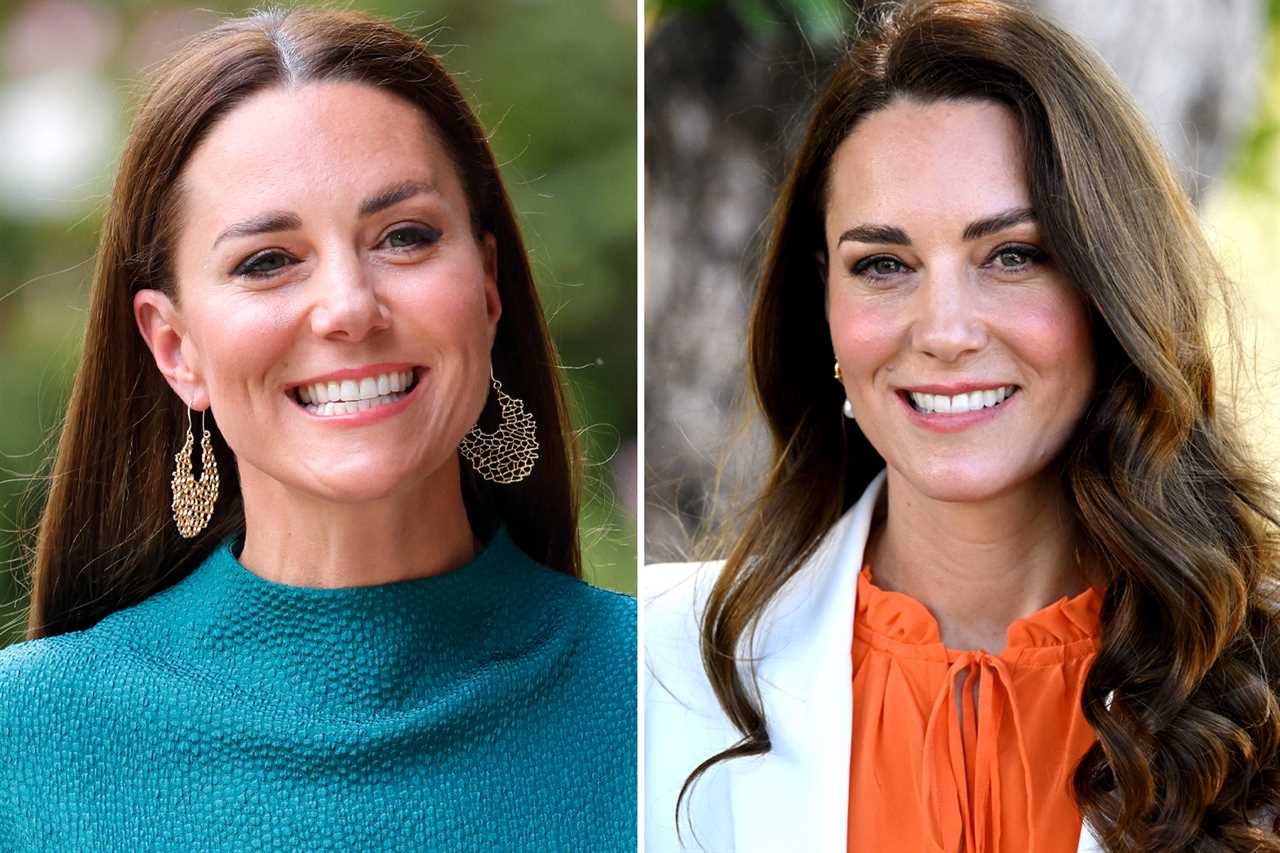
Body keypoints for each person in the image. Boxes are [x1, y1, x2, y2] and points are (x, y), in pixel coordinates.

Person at [644, 0, 1280, 851]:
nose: (943, 331)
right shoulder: (656, 666)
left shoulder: (1260, 680)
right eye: (883, 265)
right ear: (823, 305)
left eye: (1012, 255)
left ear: (1111, 288)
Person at [0, 8, 635, 851]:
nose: (348, 307)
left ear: (486, 287)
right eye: (268, 261)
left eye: (404, 238)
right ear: (175, 347)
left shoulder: (675, 696)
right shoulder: (26, 744)